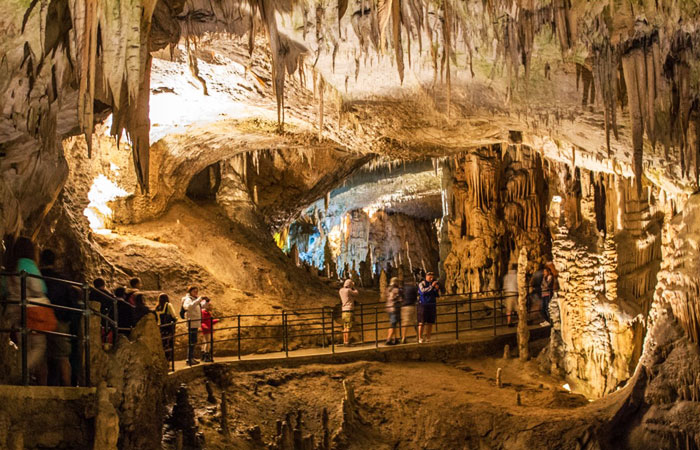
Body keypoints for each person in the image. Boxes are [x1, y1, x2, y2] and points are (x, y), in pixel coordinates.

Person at [6, 237, 55, 385]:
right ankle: (20, 371)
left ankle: (24, 376)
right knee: (39, 346)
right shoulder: (27, 264)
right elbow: (38, 288)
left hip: (14, 309)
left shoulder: (11, 265)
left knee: (24, 345)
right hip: (31, 310)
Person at [40, 249, 76, 386]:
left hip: (40, 318)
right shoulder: (62, 279)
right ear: (54, 261)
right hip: (59, 319)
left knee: (42, 356)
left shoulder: (38, 277)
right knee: (62, 357)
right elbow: (71, 299)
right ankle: (67, 387)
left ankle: (41, 387)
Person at [182, 286, 206, 365]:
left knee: (193, 341)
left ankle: (191, 358)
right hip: (191, 323)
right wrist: (199, 299)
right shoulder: (188, 299)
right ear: (190, 292)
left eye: (197, 291)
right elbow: (188, 307)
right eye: (194, 291)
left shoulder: (194, 299)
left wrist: (204, 301)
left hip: (195, 323)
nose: (196, 293)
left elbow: (198, 307)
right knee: (191, 341)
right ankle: (189, 359)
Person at [90, 278, 115, 345]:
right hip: (105, 317)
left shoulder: (91, 293)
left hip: (93, 317)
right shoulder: (106, 294)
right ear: (104, 285)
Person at [418, 272, 439, 343]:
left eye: (432, 277)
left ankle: (428, 337)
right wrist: (432, 287)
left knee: (430, 322)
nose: (431, 278)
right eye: (430, 277)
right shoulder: (422, 283)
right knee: (421, 322)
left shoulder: (433, 284)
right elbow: (423, 292)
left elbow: (436, 295)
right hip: (423, 305)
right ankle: (420, 338)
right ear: (426, 276)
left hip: (432, 305)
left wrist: (436, 289)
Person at [155, 293, 177, 362]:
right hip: (168, 328)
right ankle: (169, 360)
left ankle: (163, 360)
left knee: (163, 344)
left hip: (161, 328)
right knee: (169, 344)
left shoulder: (157, 307)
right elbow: (174, 316)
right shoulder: (168, 305)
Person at [339, 279, 359, 345]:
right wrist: (354, 287)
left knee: (345, 327)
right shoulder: (348, 291)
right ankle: (347, 341)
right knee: (348, 327)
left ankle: (344, 341)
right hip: (349, 310)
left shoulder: (341, 290)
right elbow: (356, 293)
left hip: (343, 310)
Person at [200, 297, 218, 362]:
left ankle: (204, 355)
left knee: (206, 341)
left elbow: (209, 321)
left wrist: (215, 321)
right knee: (208, 342)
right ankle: (206, 355)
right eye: (209, 305)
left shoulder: (207, 312)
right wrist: (205, 326)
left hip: (208, 328)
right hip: (206, 329)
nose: (211, 306)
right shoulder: (204, 313)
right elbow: (202, 321)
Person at [401, 279, 419, 344]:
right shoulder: (413, 288)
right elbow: (416, 297)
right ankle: (419, 336)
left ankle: (403, 337)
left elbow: (401, 297)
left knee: (405, 323)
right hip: (412, 306)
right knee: (415, 321)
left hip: (404, 306)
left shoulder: (403, 288)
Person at [385, 277, 402, 345]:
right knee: (393, 324)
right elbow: (398, 298)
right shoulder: (396, 290)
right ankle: (388, 339)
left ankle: (395, 338)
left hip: (389, 307)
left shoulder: (388, 289)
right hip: (394, 308)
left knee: (394, 324)